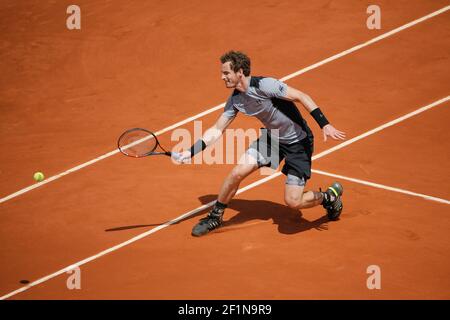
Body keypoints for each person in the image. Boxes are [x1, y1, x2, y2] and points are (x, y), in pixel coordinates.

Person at [174, 50, 346, 237]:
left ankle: (329, 197)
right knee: (237, 172)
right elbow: (216, 129)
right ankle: (216, 215)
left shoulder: (265, 85)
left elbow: (302, 96)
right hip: (272, 139)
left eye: (226, 73)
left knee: (293, 202)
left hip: (298, 143)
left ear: (239, 72)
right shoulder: (235, 100)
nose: (222, 77)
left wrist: (325, 124)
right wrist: (190, 152)